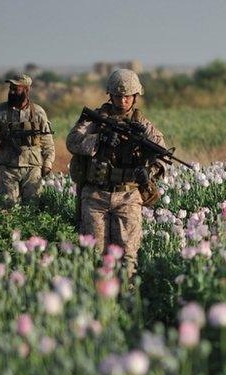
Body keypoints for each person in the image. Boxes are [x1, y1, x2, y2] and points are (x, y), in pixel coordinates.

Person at [66, 68, 166, 282]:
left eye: (127, 96)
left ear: (135, 97)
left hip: (128, 197)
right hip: (95, 195)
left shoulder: (143, 126)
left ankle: (128, 303)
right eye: (118, 96)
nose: (123, 101)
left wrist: (148, 171)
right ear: (110, 95)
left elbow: (161, 155)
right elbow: (73, 141)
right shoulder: (95, 120)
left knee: (128, 258)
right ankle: (99, 302)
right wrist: (99, 139)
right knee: (95, 257)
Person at [0, 72, 55, 207]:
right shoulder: (1, 110)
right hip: (8, 168)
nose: (12, 91)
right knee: (7, 207)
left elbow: (48, 142)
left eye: (16, 88)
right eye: (11, 88)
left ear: (26, 90)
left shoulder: (38, 112)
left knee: (32, 208)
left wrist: (48, 163)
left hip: (32, 168)